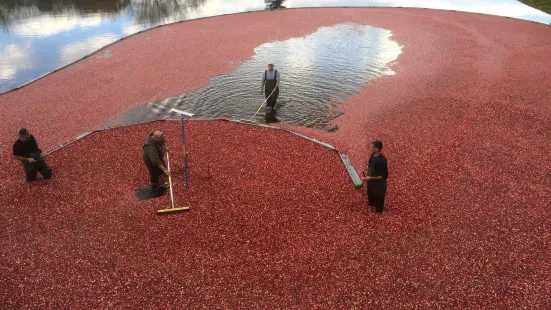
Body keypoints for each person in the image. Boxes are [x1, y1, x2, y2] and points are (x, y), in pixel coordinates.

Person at [143, 131, 171, 197]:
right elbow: (155, 161)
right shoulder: (150, 147)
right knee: (154, 173)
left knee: (162, 167)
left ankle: (163, 180)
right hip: (150, 160)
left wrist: (166, 147)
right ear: (157, 138)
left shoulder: (156, 137)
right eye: (161, 137)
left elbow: (163, 140)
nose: (163, 138)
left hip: (158, 156)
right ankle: (155, 187)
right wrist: (165, 170)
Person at [363, 140, 388, 213]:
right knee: (371, 200)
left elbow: (384, 176)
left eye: (371, 147)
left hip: (379, 185)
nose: (370, 148)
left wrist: (370, 178)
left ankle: (379, 214)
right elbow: (370, 167)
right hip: (371, 182)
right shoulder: (372, 155)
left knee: (379, 203)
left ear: (377, 149)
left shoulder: (382, 160)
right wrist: (367, 176)